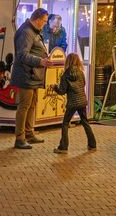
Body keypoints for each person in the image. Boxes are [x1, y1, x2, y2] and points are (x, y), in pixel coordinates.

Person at [11, 8, 56, 150]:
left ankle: (29, 133)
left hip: (33, 75)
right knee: (24, 106)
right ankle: (20, 138)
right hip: (26, 75)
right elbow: (22, 55)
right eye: (43, 21)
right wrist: (40, 61)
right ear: (37, 19)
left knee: (32, 105)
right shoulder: (26, 32)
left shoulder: (34, 31)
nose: (44, 24)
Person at [55, 53, 96, 154]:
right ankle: (92, 144)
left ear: (68, 61)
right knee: (85, 122)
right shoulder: (81, 73)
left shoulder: (65, 75)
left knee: (65, 123)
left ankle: (63, 147)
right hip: (82, 101)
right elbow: (83, 84)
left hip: (72, 103)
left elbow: (62, 91)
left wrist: (55, 88)